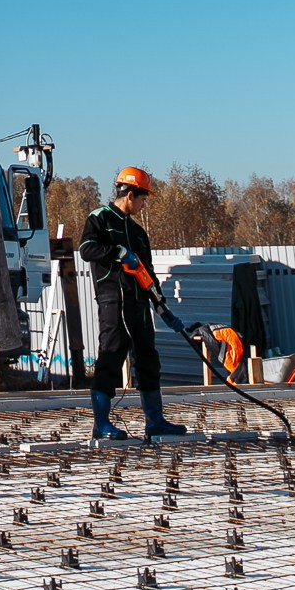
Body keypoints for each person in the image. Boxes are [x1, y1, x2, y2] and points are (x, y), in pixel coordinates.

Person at [80, 167, 185, 440]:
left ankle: (155, 421)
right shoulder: (100, 219)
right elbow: (86, 249)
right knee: (111, 357)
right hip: (113, 300)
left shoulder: (138, 233)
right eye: (142, 198)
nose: (143, 203)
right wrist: (118, 252)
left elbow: (147, 273)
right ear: (129, 194)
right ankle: (101, 424)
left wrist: (162, 305)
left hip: (138, 303)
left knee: (148, 359)